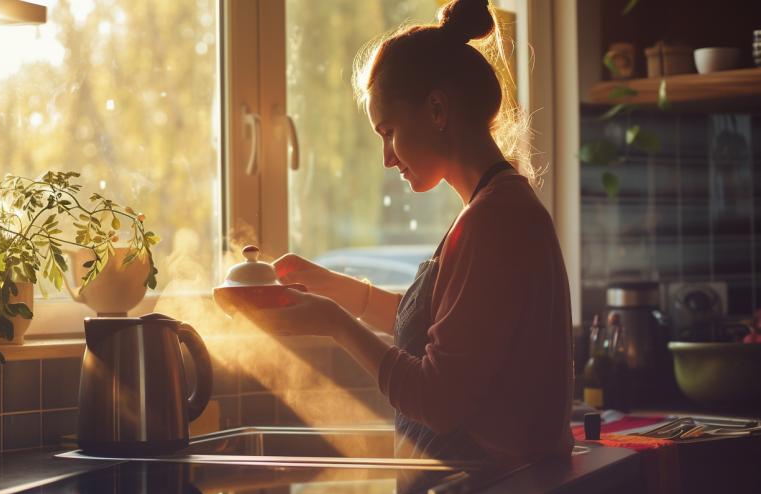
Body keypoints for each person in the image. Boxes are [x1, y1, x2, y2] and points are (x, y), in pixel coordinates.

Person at [241, 0, 573, 468]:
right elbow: (452, 331)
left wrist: (333, 325)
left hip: (489, 490)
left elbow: (436, 400)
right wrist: (331, 289)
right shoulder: (496, 206)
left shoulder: (492, 220)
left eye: (388, 131)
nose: (387, 158)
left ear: (437, 109)